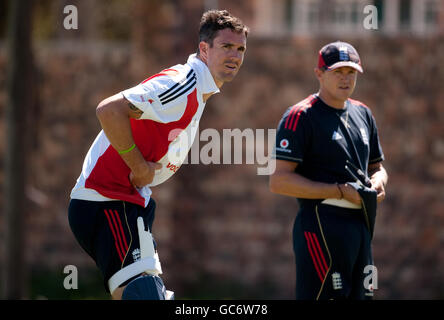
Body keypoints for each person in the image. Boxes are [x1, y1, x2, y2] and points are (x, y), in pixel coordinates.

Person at [68, 9, 248, 300]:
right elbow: (109, 110)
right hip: (106, 201)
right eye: (227, 46)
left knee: (150, 295)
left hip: (128, 203)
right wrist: (138, 165)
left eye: (240, 49)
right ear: (204, 49)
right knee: (143, 294)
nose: (235, 55)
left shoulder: (199, 88)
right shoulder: (183, 83)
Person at [269, 41, 388, 300]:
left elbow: (377, 166)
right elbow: (279, 181)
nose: (345, 79)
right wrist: (339, 192)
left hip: (362, 223)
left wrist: (379, 180)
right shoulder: (300, 116)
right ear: (319, 74)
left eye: (351, 73)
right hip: (321, 224)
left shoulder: (363, 113)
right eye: (337, 72)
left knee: (363, 296)